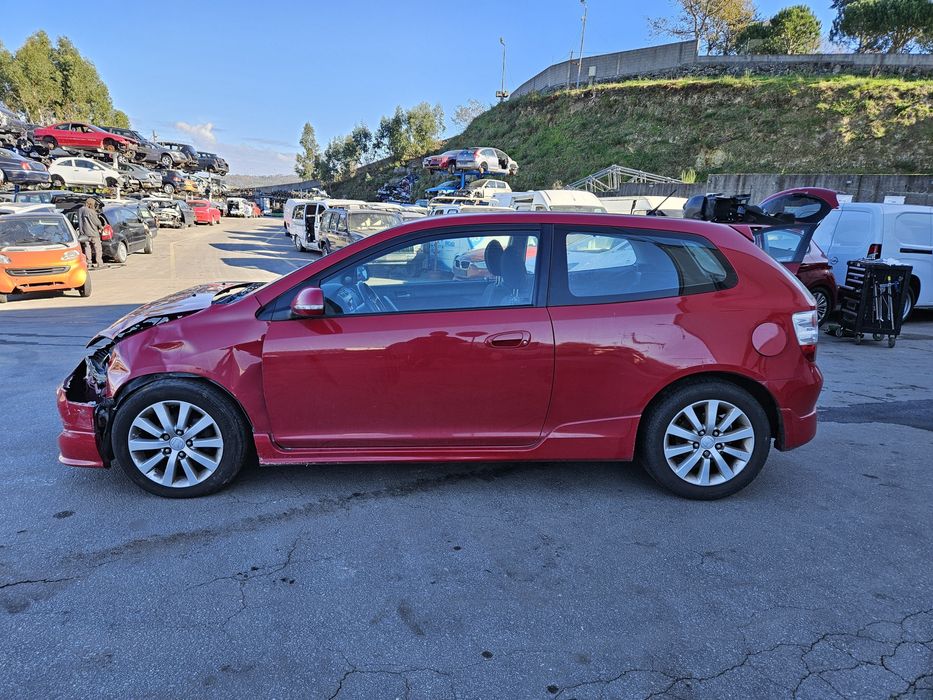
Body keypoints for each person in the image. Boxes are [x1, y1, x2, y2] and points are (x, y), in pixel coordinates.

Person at [78, 198, 103, 268]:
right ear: (91, 204)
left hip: (84, 233)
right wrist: (101, 227)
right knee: (98, 248)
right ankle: (99, 263)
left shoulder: (80, 210)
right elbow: (97, 222)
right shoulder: (91, 212)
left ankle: (88, 262)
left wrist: (81, 232)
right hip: (94, 233)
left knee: (87, 248)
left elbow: (80, 222)